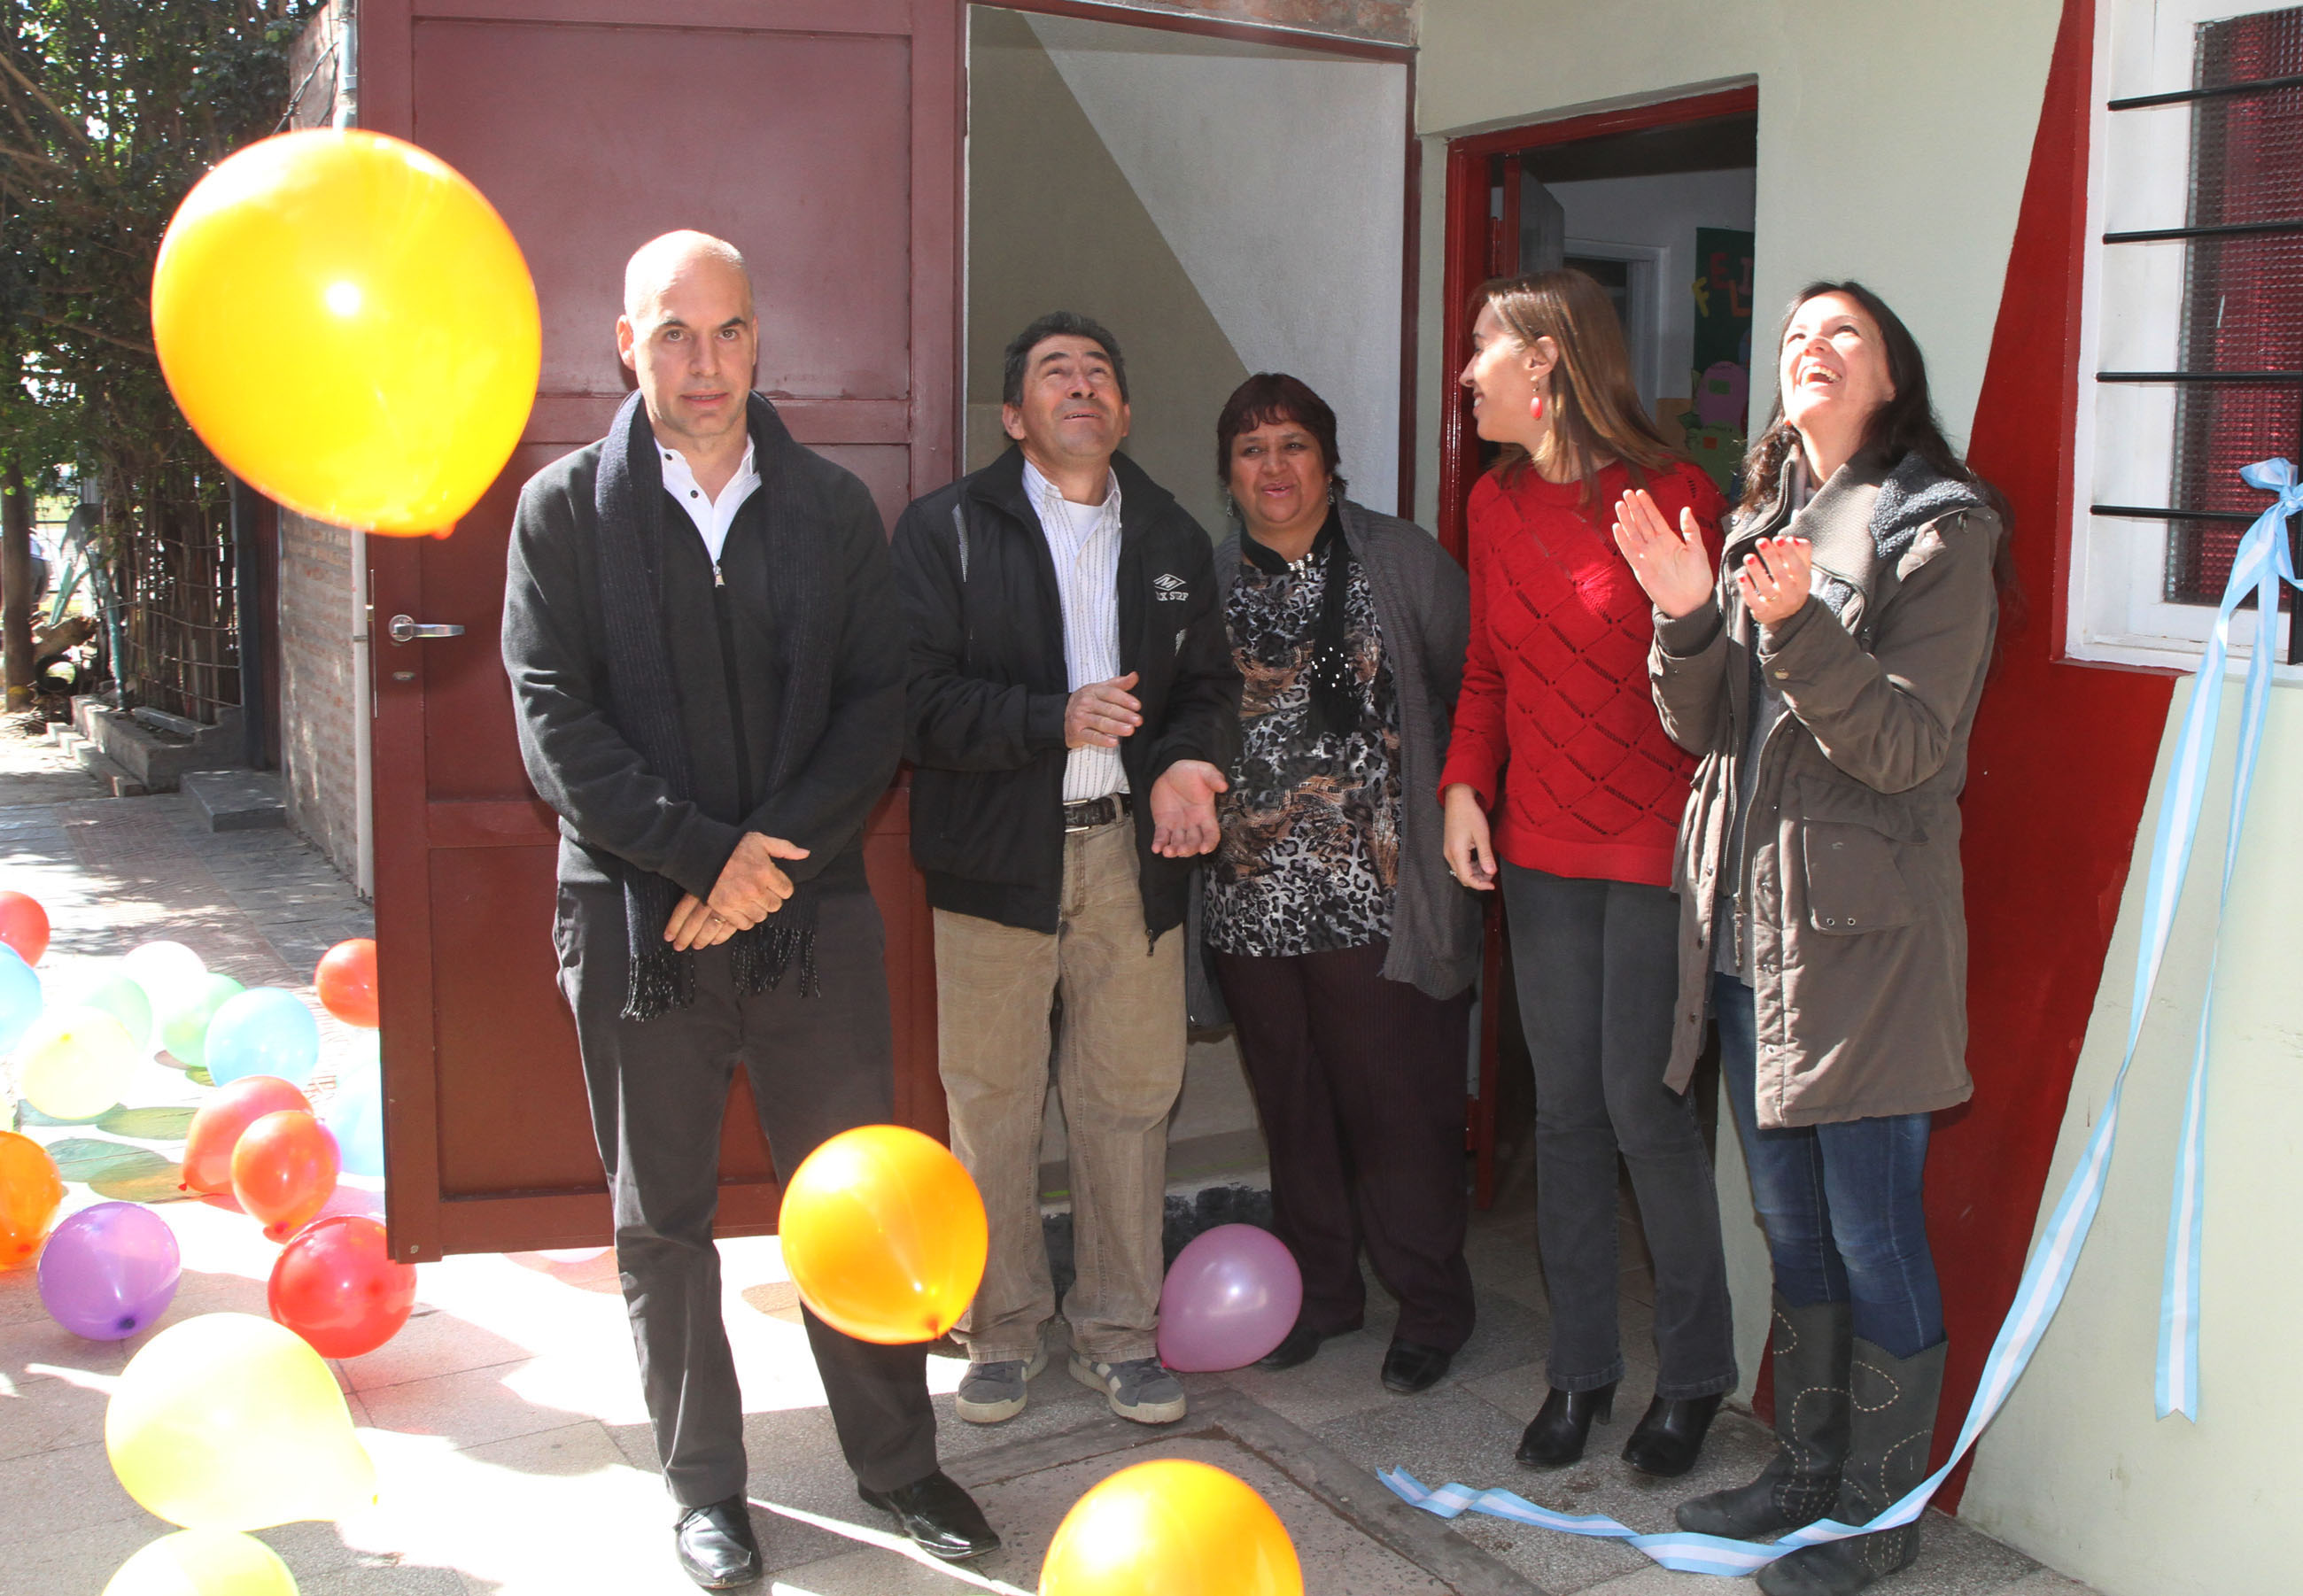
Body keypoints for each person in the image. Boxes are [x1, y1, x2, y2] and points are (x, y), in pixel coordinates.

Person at [501, 231, 996, 1589]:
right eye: (672, 332)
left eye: (724, 332)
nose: (702, 362)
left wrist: (758, 866)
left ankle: (898, 1462)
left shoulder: (833, 509)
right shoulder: (560, 512)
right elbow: (556, 727)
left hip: (809, 908)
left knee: (854, 1198)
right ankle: (704, 1487)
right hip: (631, 919)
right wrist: (693, 858)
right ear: (625, 342)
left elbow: (873, 706)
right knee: (660, 1218)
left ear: (760, 339)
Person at [1616, 281, 2009, 1596]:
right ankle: (1806, 1469)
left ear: (1893, 376)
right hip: (1739, 936)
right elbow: (1704, 721)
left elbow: (1905, 747)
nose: (1812, 349)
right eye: (1794, 337)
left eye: (1844, 333)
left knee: (1872, 1227)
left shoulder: (1938, 531)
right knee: (1791, 1227)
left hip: (1860, 947)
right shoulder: (1761, 523)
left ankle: (1878, 1510)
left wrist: (1796, 624)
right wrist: (1686, 609)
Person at [891, 311, 1240, 1430]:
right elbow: (914, 701)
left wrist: (1187, 763)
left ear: (1124, 411)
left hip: (1132, 860)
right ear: (1014, 415)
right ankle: (996, 1331)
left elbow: (1208, 692)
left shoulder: (1176, 537)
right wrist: (1054, 717)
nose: (1079, 386)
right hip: (996, 860)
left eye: (1098, 371)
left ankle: (1119, 1333)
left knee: (1128, 1101)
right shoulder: (945, 529)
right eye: (1054, 372)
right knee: (990, 1103)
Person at [1440, 270, 1739, 1476]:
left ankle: (1697, 1376)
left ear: (1549, 360)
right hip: (1539, 853)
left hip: (1658, 857)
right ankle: (1580, 1372)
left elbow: (1711, 680)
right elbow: (1489, 673)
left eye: (1482, 350)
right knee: (1561, 1114)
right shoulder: (1492, 505)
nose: (1468, 373)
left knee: (1644, 1110)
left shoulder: (1677, 493)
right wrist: (1466, 785)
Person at [1199, 373, 1482, 1394]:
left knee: (1396, 1107)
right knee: (1294, 1105)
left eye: (1291, 445)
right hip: (1249, 900)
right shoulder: (1206, 576)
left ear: (1328, 459)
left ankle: (1431, 1304)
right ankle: (1321, 1293)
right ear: (1227, 472)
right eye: (1250, 449)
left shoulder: (1399, 559)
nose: (1272, 467)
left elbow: (1470, 689)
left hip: (1381, 902)